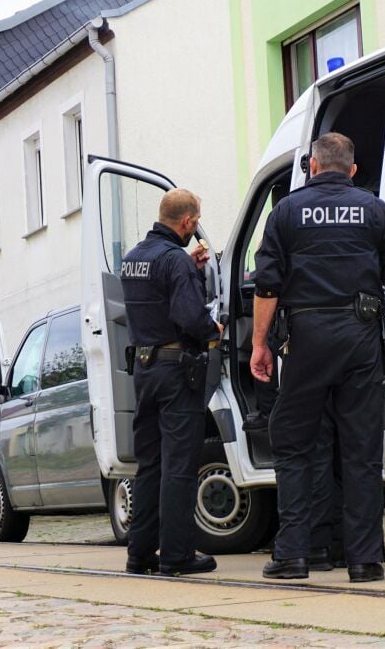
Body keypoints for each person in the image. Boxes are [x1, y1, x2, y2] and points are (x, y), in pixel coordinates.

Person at [251, 132, 385, 583]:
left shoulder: (286, 212)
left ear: (312, 166)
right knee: (362, 450)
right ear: (352, 169)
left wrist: (259, 344)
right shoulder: (376, 210)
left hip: (305, 339)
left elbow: (267, 285)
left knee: (295, 445)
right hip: (360, 337)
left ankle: (293, 554)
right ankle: (364, 560)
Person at [120, 188, 223, 577]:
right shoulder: (174, 260)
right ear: (188, 222)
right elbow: (188, 317)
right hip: (176, 370)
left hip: (144, 369)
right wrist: (214, 329)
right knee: (179, 464)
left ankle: (140, 553)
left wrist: (189, 270)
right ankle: (177, 555)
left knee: (149, 465)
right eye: (196, 222)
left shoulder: (134, 258)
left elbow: (158, 300)